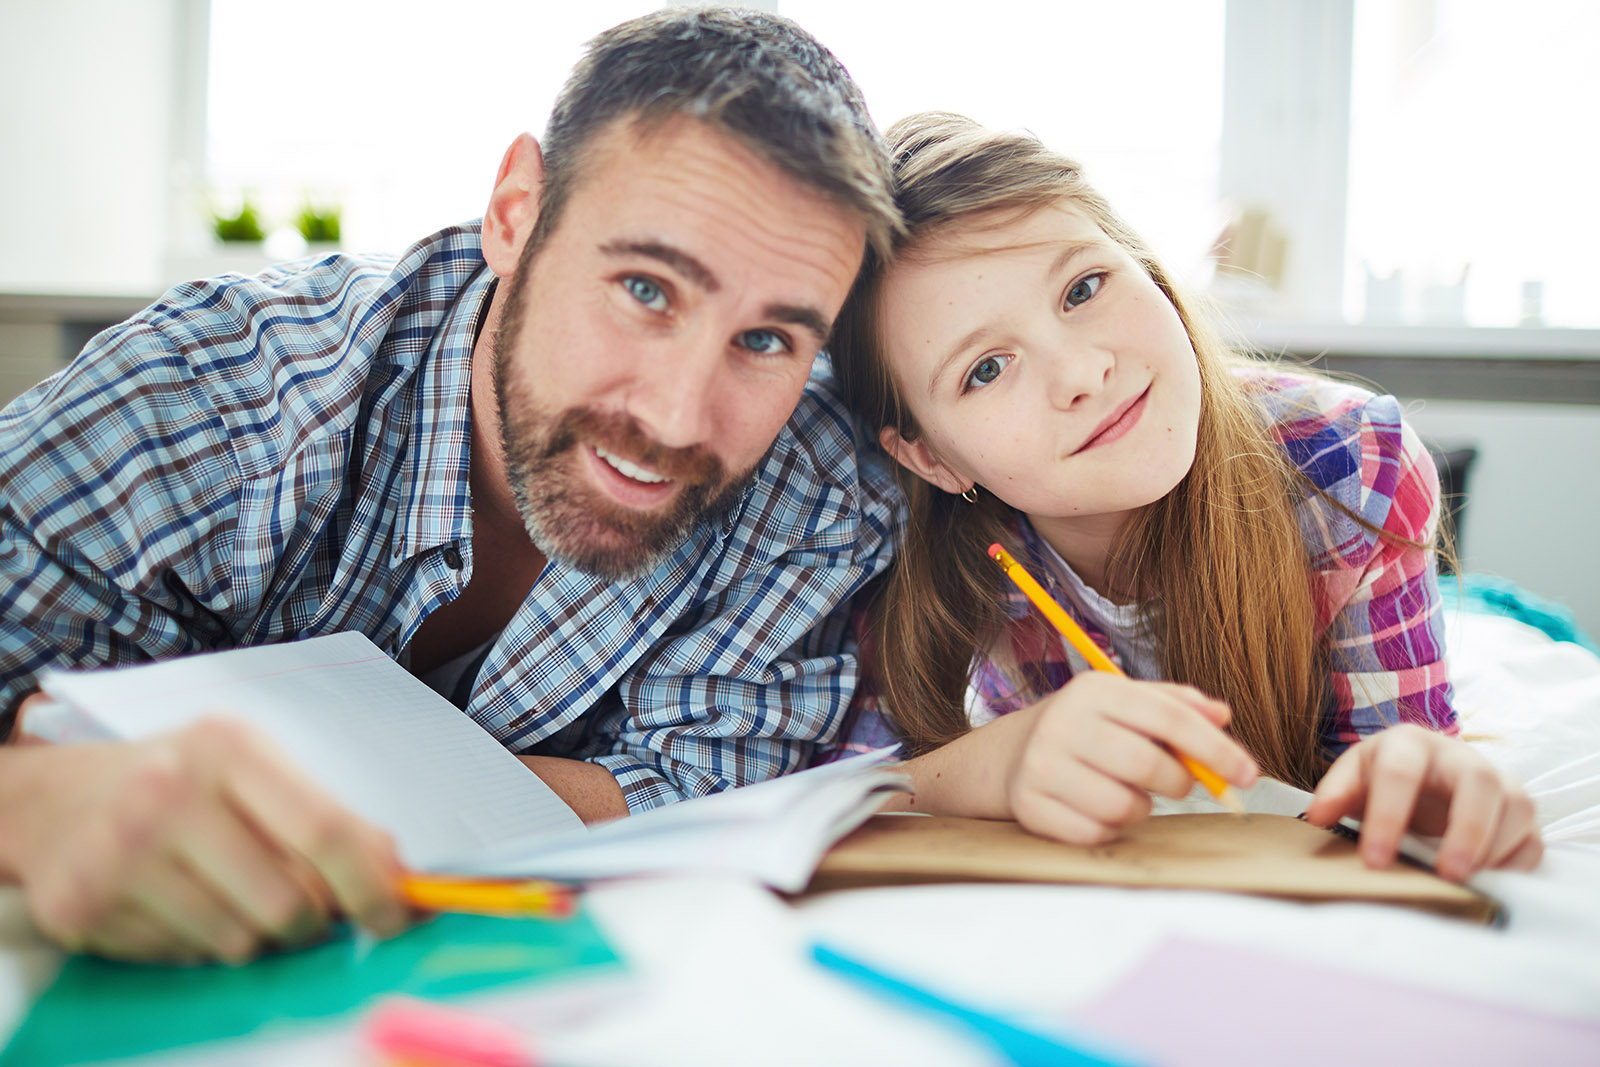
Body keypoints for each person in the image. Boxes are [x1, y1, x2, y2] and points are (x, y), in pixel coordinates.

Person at [0, 7, 903, 962]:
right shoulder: (210, 397)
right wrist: (26, 808)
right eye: (644, 288)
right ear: (516, 214)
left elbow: (717, 789)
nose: (680, 419)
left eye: (767, 341)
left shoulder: (816, 493)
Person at [825, 112, 1541, 881]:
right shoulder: (895, 533)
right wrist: (991, 765)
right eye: (986, 369)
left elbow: (1397, 795)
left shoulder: (1352, 464)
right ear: (930, 456)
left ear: (1152, 272)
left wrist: (1417, 777)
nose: (1080, 373)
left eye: (1084, 287)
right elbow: (829, 796)